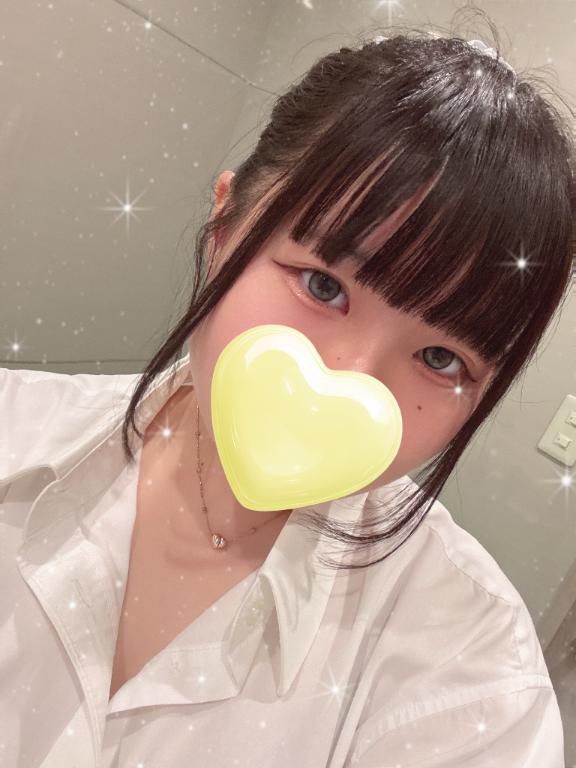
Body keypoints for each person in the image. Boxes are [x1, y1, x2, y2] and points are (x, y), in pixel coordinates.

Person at [1, 21, 574, 768]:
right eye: (322, 285)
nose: (349, 381)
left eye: (440, 357)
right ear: (223, 226)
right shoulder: (15, 430)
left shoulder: (474, 681)